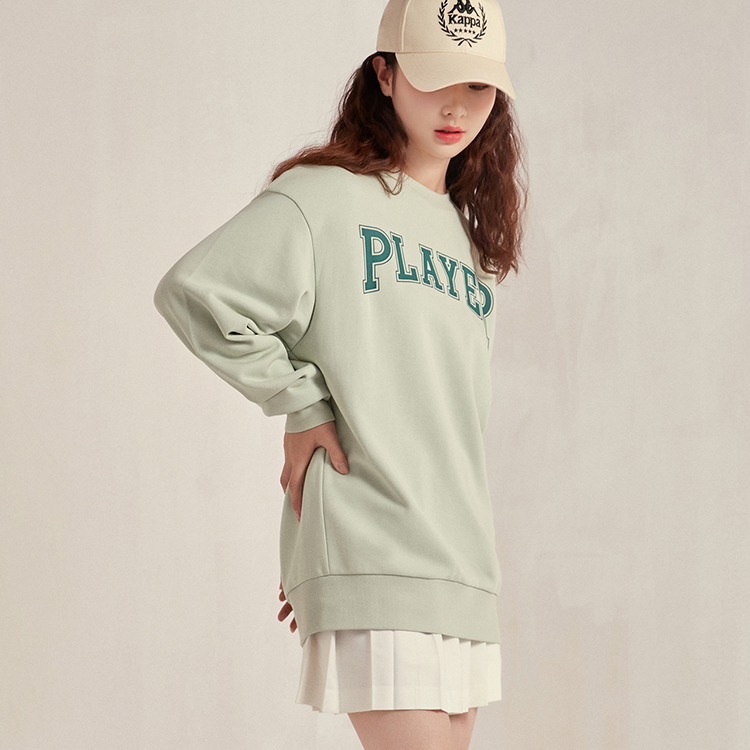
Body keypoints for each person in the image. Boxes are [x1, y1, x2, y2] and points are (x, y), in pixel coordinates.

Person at [154, 0, 526, 747]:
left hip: (460, 562)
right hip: (375, 544)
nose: (456, 106)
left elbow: (430, 411)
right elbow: (197, 293)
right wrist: (301, 404)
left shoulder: (468, 242)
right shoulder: (322, 198)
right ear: (384, 76)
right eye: (434, 78)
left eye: (478, 86)